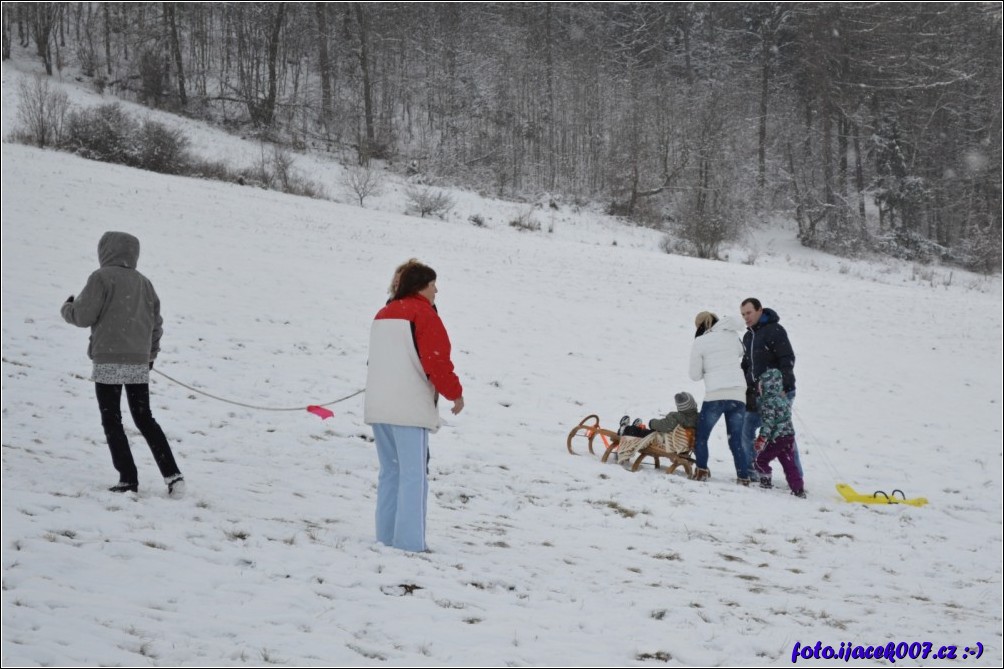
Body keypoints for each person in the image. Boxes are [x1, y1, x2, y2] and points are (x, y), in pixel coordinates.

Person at [60, 231, 185, 496]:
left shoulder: (100, 278)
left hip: (108, 360)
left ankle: (128, 478)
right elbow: (156, 325)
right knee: (144, 418)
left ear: (105, 251)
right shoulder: (144, 283)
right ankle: (174, 476)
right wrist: (150, 355)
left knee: (112, 419)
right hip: (138, 363)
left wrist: (67, 308)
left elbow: (83, 316)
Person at [364, 262, 464, 552]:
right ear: (421, 285)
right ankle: (409, 544)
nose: (437, 290)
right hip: (407, 408)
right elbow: (436, 360)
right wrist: (454, 394)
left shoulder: (383, 313)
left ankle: (385, 537)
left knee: (390, 473)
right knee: (413, 475)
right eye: (433, 284)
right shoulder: (424, 314)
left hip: (379, 404)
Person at [740, 297, 802, 480]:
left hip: (779, 392)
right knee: (746, 428)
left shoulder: (775, 330)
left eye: (749, 313)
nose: (746, 317)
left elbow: (787, 358)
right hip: (756, 394)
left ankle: (797, 476)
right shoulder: (748, 335)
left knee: (782, 434)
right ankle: (753, 472)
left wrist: (786, 385)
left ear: (760, 310)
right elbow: (747, 364)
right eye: (743, 314)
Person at [689, 311, 751, 484]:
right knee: (735, 439)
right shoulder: (731, 334)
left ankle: (701, 470)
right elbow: (741, 351)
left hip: (715, 394)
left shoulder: (700, 342)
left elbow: (694, 375)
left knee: (701, 436)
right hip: (738, 394)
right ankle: (743, 476)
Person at [752, 369, 806, 497]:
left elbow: (768, 423)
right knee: (789, 464)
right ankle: (798, 488)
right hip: (788, 437)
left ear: (766, 386)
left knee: (761, 461)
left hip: (777, 438)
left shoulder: (768, 403)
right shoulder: (783, 399)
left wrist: (762, 438)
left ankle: (765, 481)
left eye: (761, 386)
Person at [615, 392, 699, 465]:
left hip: (665, 443)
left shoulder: (676, 416)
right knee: (647, 432)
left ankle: (625, 430)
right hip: (684, 447)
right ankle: (635, 428)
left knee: (645, 433)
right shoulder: (698, 418)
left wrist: (652, 422)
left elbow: (664, 426)